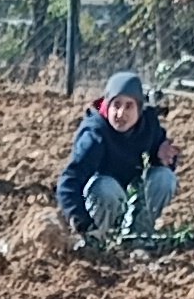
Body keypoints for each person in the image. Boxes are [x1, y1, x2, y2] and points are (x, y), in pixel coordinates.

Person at [56, 70, 177, 242]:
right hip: (101, 197)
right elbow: (69, 181)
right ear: (107, 105)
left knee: (165, 177)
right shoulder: (95, 134)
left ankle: (139, 234)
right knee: (105, 187)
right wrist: (82, 222)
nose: (121, 114)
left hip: (130, 186)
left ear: (140, 108)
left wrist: (162, 159)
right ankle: (101, 237)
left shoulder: (148, 125)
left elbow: (163, 157)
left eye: (129, 106)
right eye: (116, 105)